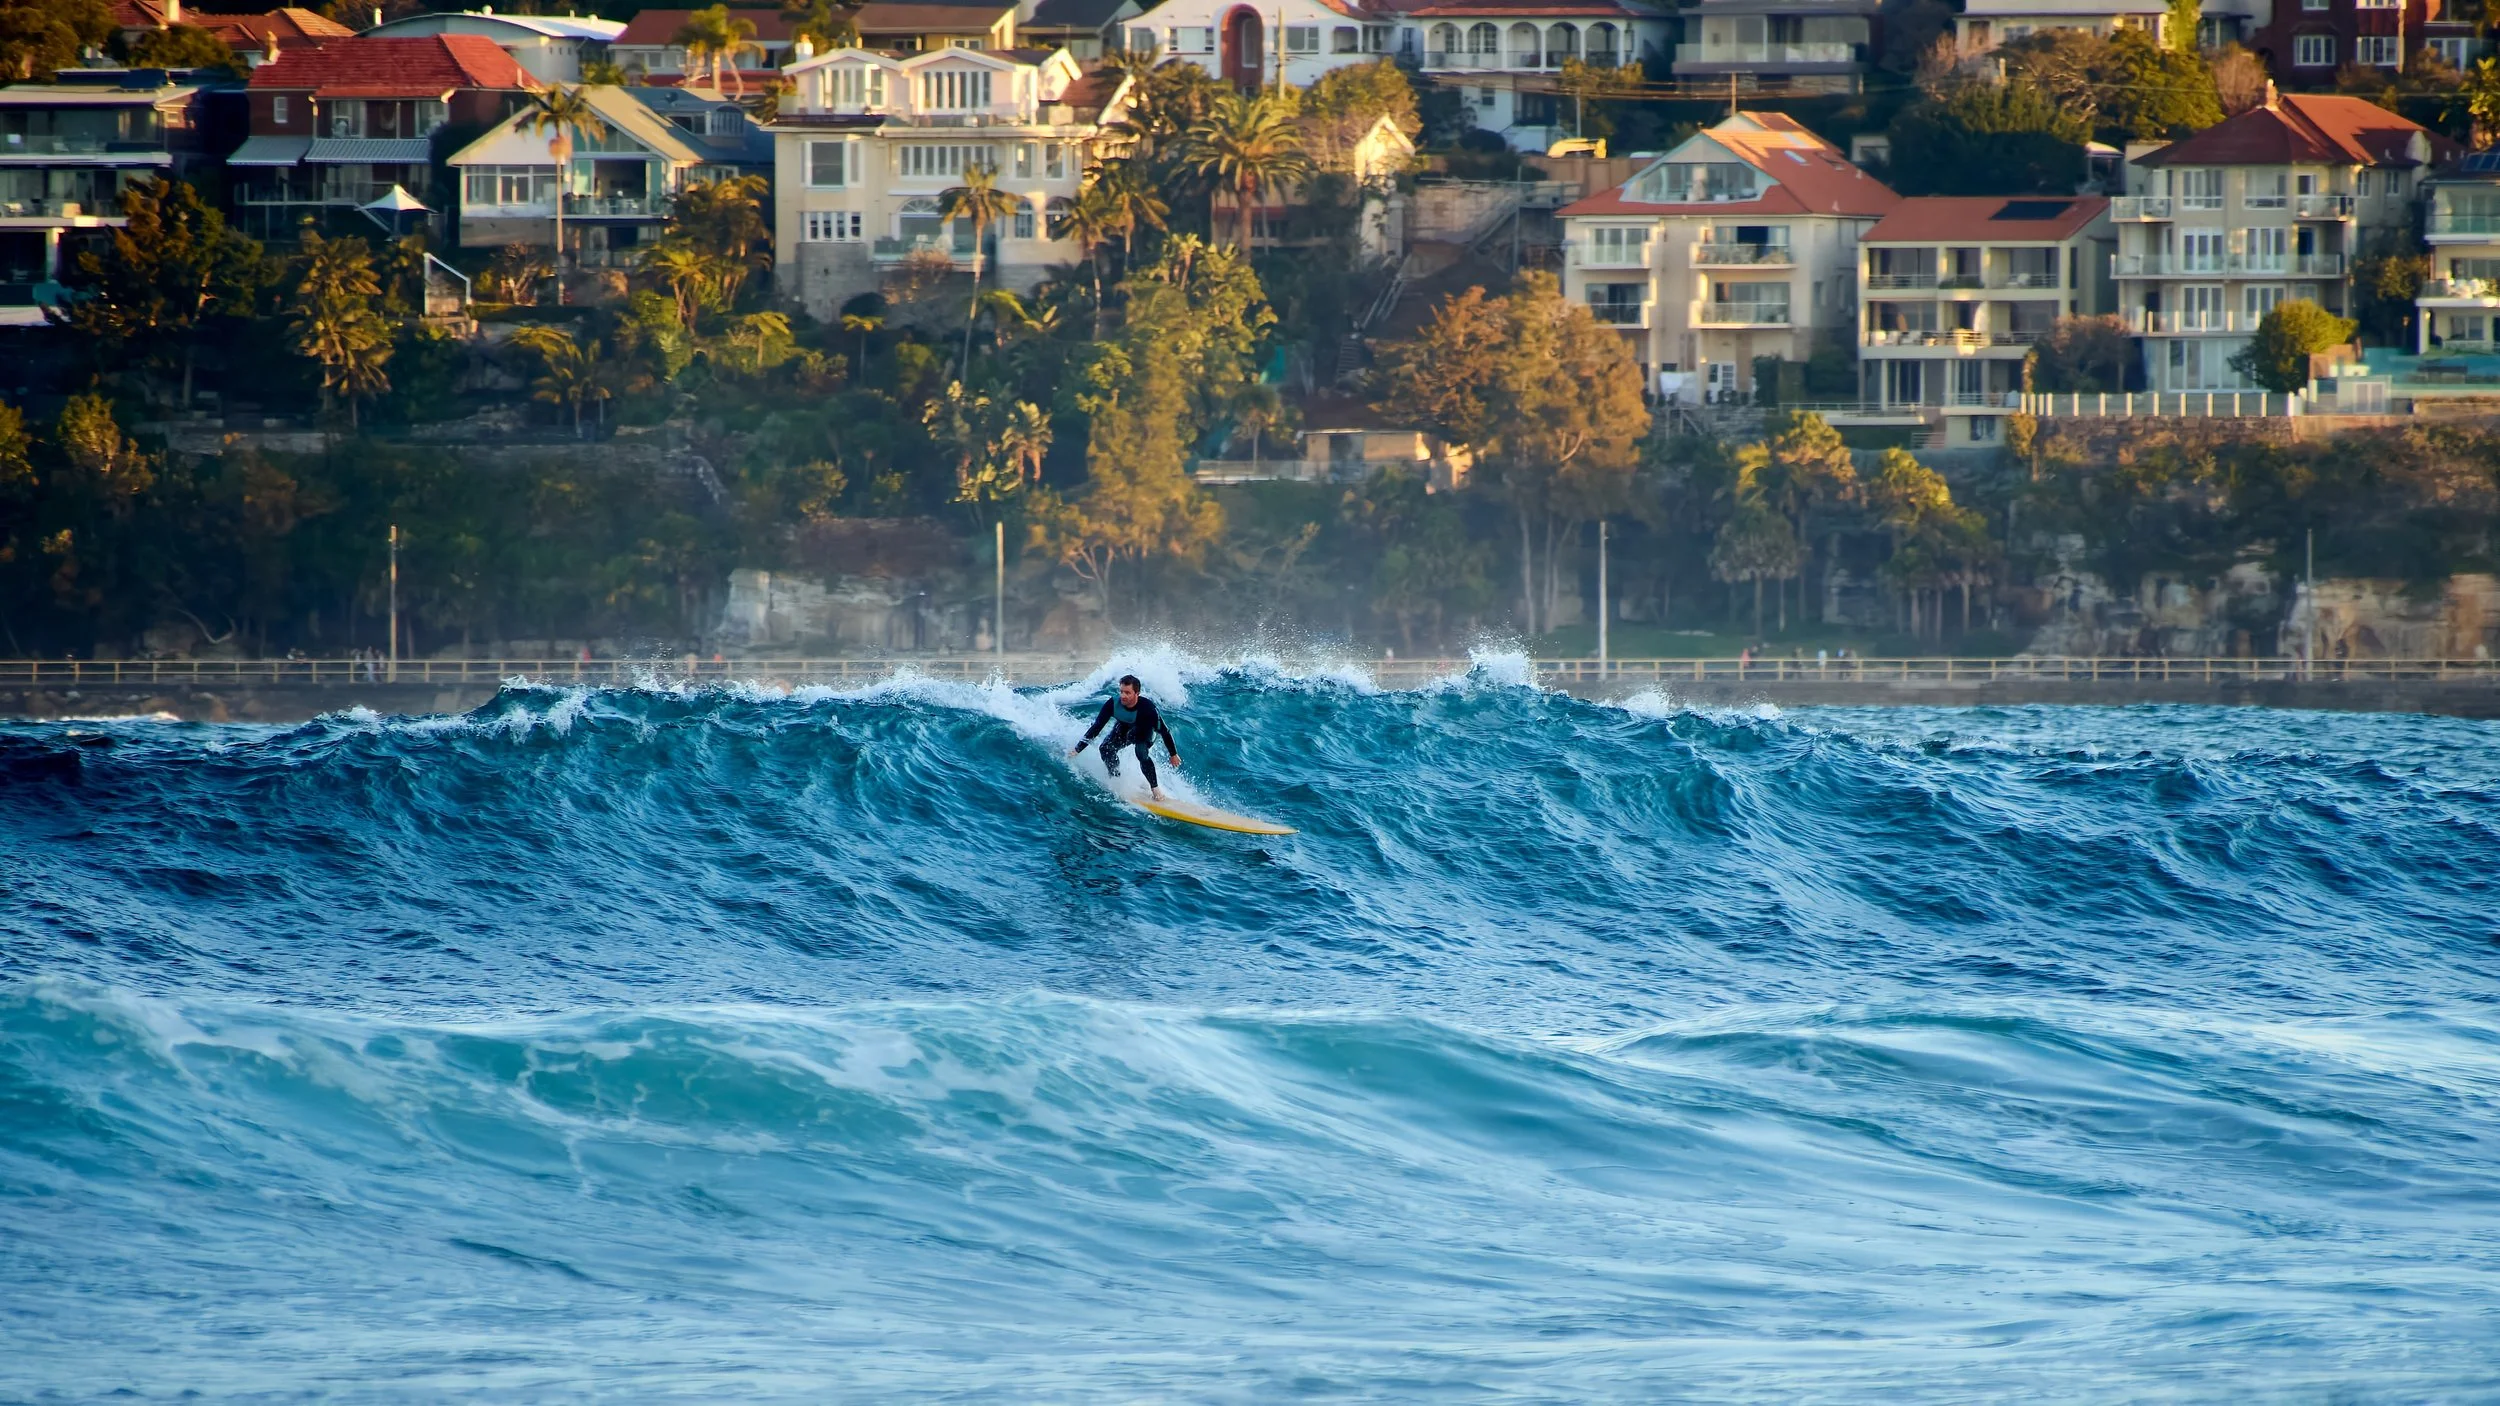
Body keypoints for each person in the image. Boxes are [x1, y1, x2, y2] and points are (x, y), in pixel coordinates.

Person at [1072, 674, 1182, 801]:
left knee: (1140, 753)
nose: (1123, 696)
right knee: (1105, 748)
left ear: (1137, 693)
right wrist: (1077, 749)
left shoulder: (1148, 708)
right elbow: (1097, 727)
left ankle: (1156, 790)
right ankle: (1116, 778)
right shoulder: (1113, 704)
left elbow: (1164, 731)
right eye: (1121, 691)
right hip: (1125, 729)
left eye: (1128, 693)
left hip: (1145, 731)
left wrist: (1173, 754)